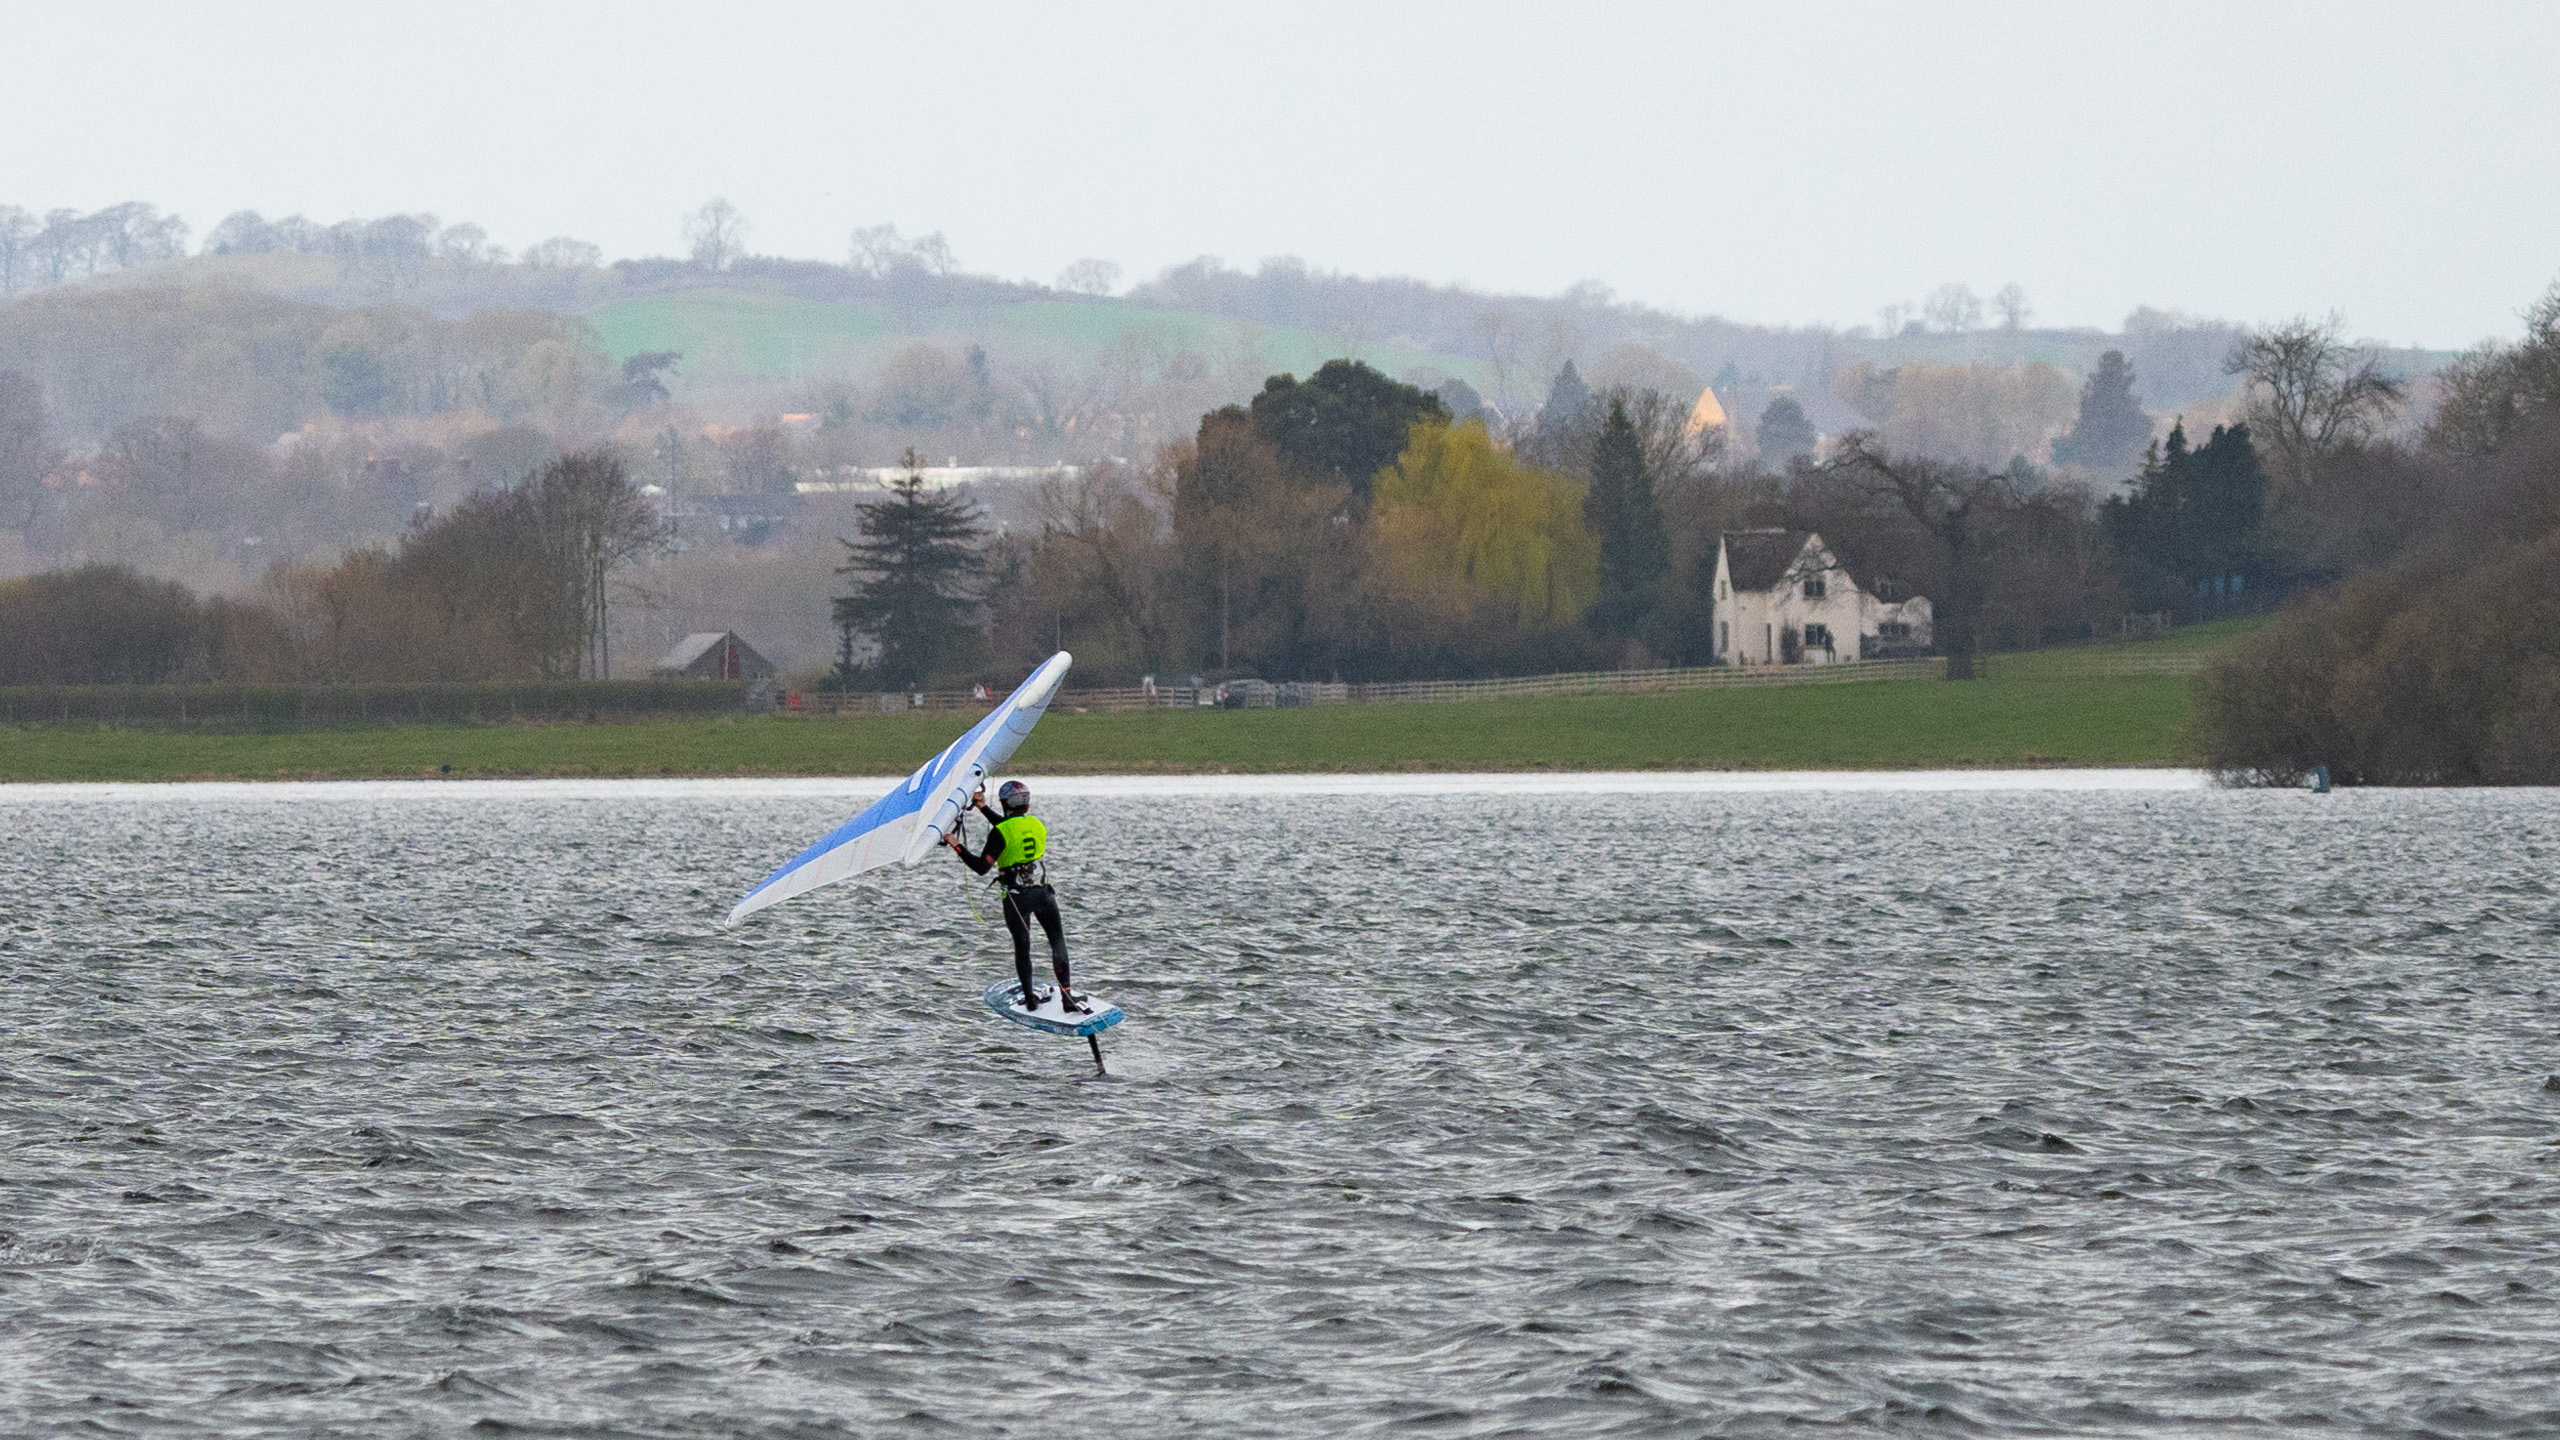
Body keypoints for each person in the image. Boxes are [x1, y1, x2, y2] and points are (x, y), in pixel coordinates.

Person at [944, 778, 1083, 1013]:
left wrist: (955, 844)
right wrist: (982, 807)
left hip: (1017, 899)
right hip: (1043, 893)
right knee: (1057, 941)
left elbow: (982, 867)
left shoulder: (1000, 832)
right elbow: (1009, 829)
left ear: (1005, 803)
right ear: (1026, 804)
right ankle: (1067, 998)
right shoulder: (1036, 824)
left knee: (1023, 945)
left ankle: (1030, 998)